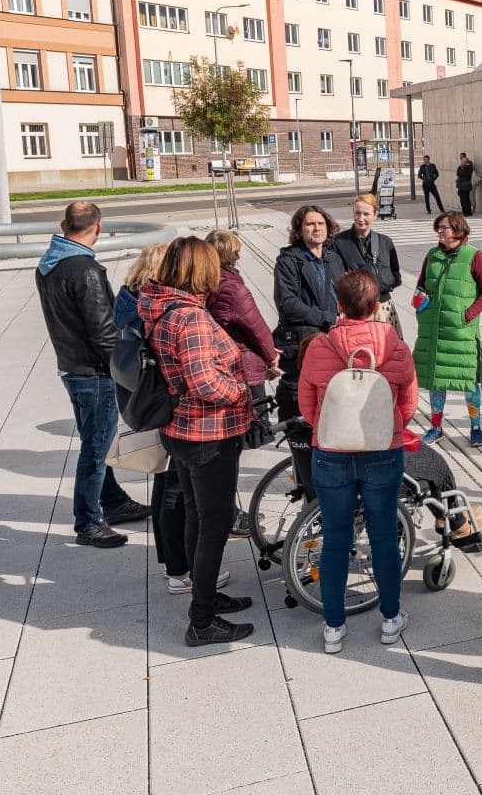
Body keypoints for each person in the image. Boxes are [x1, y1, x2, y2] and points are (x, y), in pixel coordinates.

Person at [139, 237, 256, 646]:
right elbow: (205, 382)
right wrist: (242, 393)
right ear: (200, 271)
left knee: (196, 515)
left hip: (179, 430)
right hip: (207, 433)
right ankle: (202, 621)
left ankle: (204, 594)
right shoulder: (189, 317)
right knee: (214, 524)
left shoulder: (159, 305)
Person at [297, 269, 420, 654]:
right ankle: (390, 619)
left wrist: (331, 430)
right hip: (382, 451)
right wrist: (389, 429)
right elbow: (409, 404)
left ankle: (334, 626)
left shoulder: (319, 347)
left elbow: (307, 405)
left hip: (331, 454)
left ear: (338, 305)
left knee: (335, 539)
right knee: (384, 536)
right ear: (377, 305)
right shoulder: (396, 346)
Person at [36, 200, 150, 549]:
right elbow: (103, 332)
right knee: (96, 449)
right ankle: (88, 522)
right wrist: (125, 370)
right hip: (94, 371)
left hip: (72, 366)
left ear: (64, 224)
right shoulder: (84, 269)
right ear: (98, 228)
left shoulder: (49, 263)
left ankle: (113, 501)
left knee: (96, 439)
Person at [205, 230, 280, 537]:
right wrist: (272, 359)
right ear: (234, 255)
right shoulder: (233, 288)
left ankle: (223, 510)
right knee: (234, 445)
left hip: (218, 369)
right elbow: (257, 328)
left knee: (227, 446)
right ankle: (228, 515)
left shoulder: (204, 282)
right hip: (241, 370)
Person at [272, 205, 345, 494]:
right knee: (302, 405)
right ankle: (307, 482)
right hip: (302, 344)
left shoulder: (333, 258)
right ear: (299, 230)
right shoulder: (289, 260)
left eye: (320, 223)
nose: (316, 228)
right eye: (309, 224)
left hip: (332, 342)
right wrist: (326, 318)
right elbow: (287, 303)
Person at [414, 211, 482, 447]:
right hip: (434, 330)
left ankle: (476, 426)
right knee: (436, 380)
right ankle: (436, 426)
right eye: (438, 228)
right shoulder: (432, 255)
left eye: (444, 227)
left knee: (468, 380)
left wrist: (467, 315)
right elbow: (421, 285)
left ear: (459, 230)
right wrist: (421, 311)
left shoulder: (474, 256)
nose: (439, 232)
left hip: (461, 332)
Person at [333, 195, 404, 340]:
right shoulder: (338, 242)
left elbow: (395, 276)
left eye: (366, 214)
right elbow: (334, 278)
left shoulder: (385, 242)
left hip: (383, 308)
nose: (361, 218)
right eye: (357, 213)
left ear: (375, 215)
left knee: (387, 349)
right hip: (352, 311)